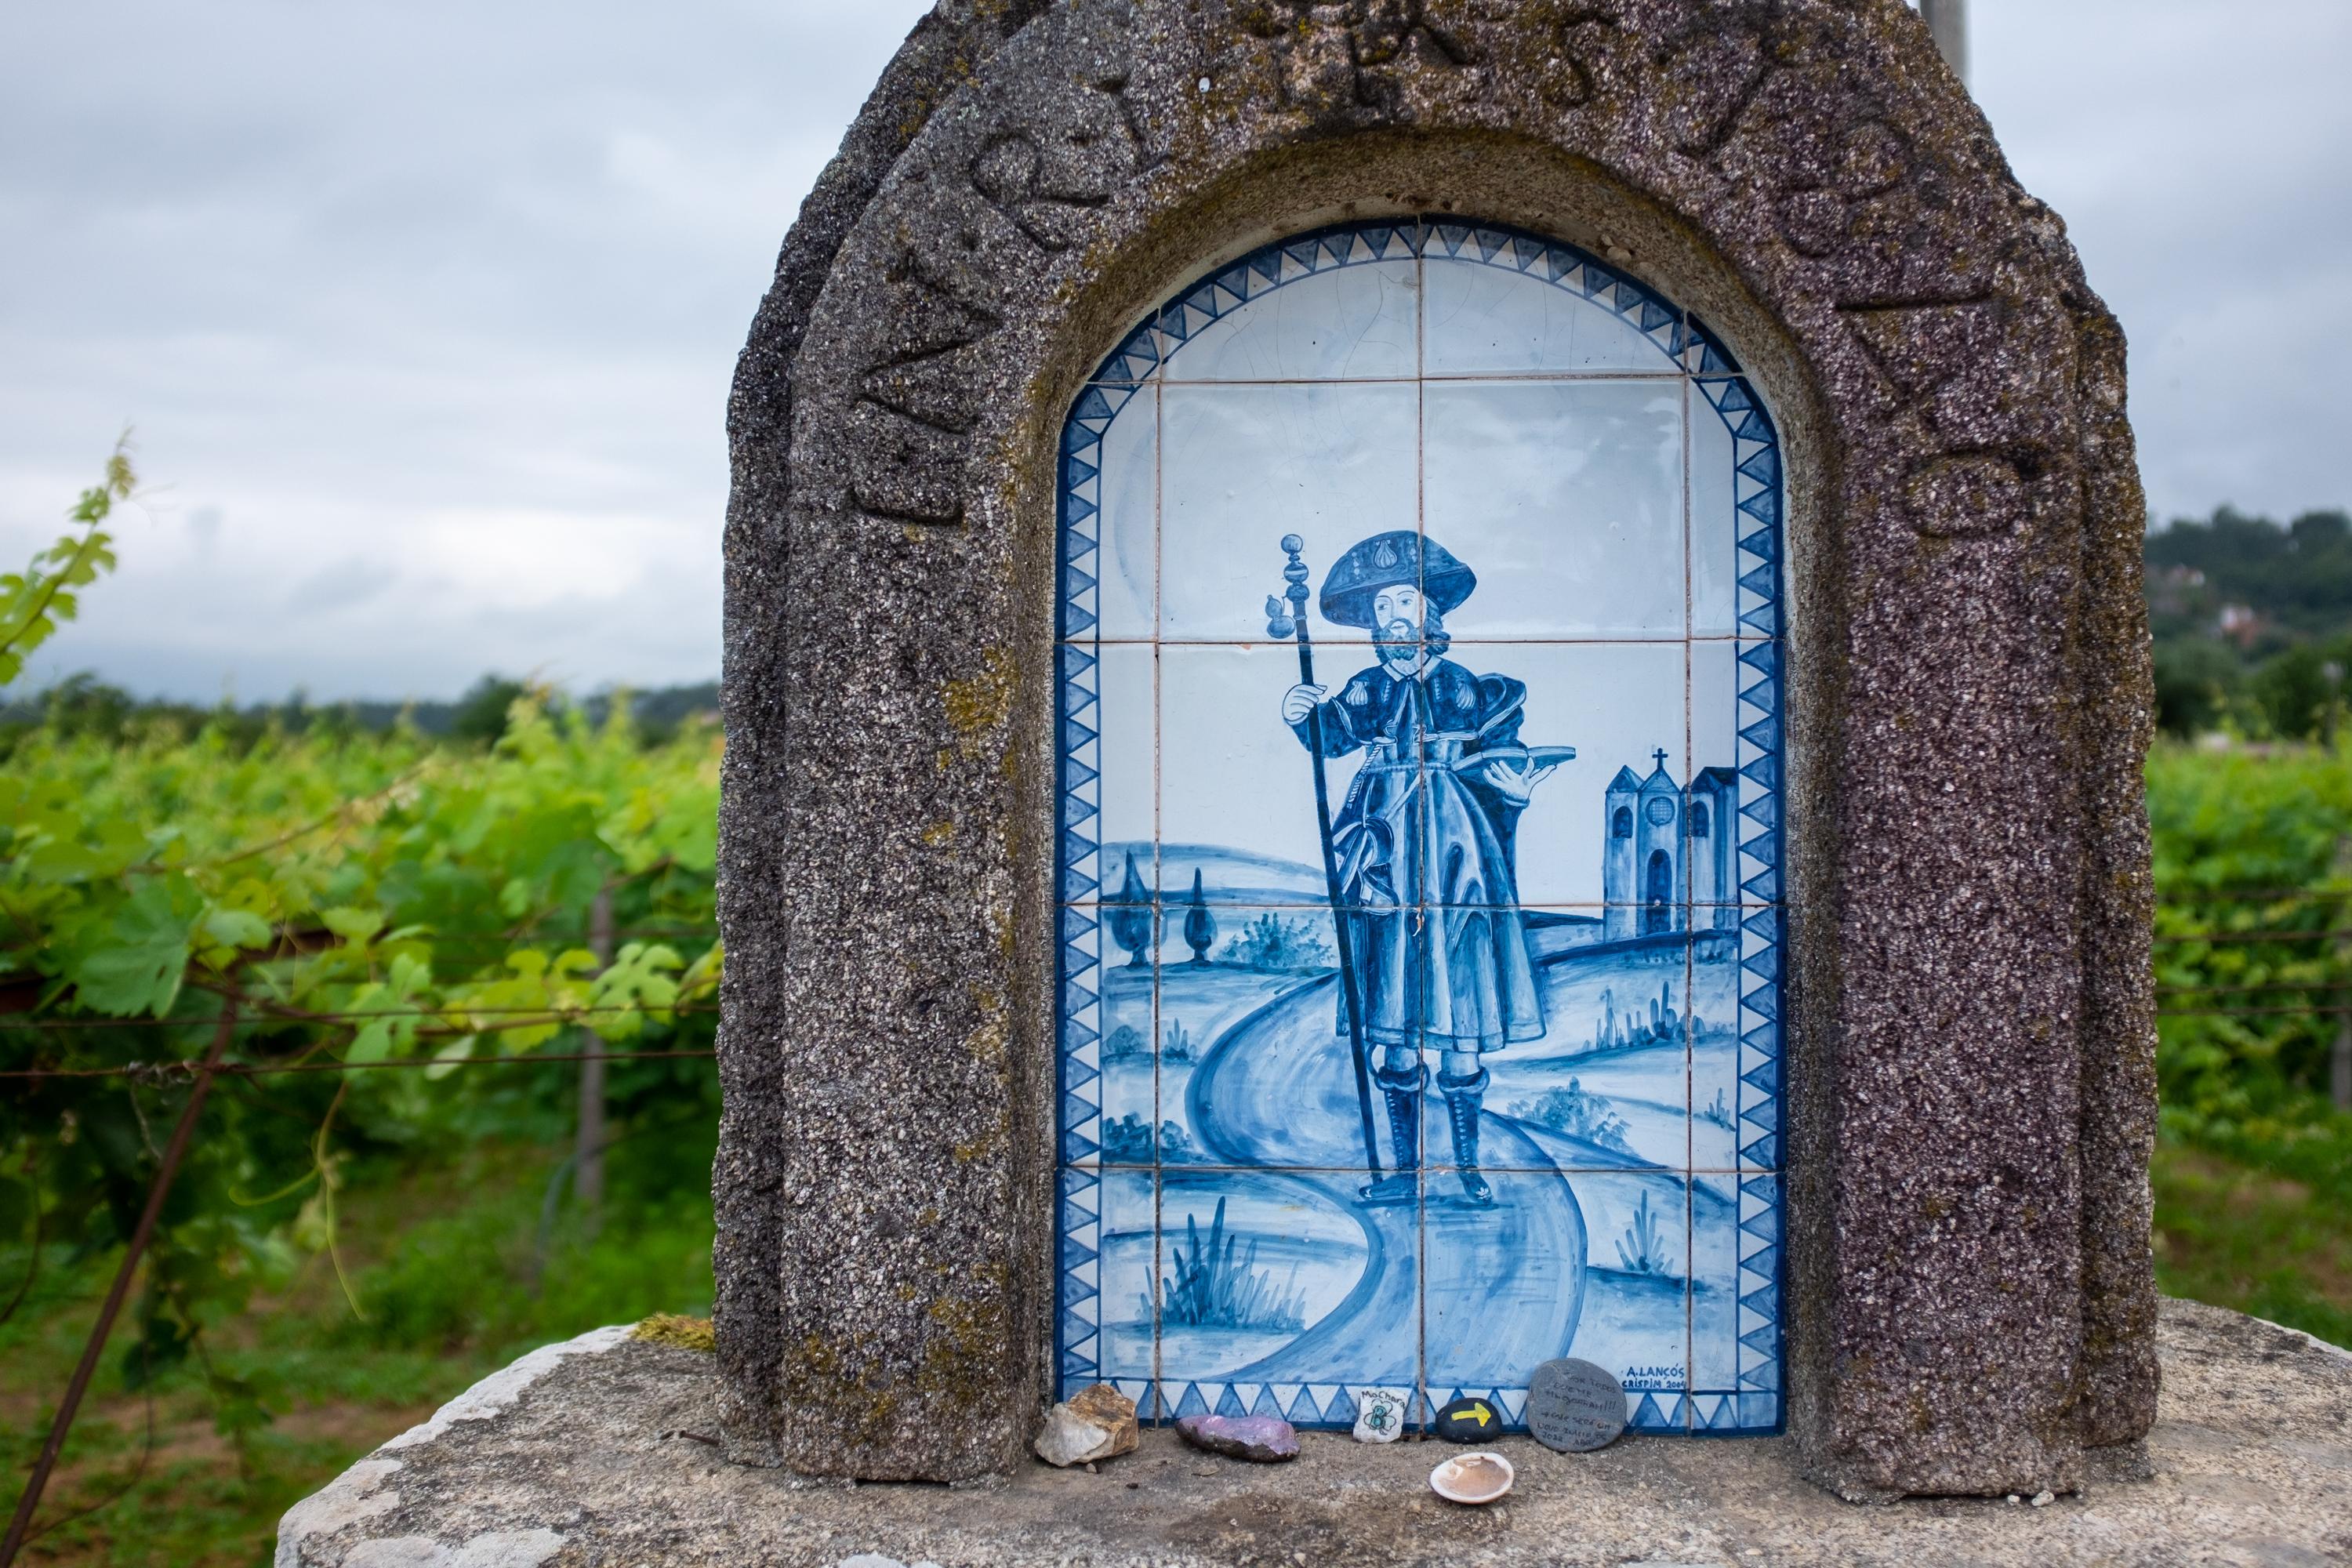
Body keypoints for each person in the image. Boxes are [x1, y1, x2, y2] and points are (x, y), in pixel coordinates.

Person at [1279, 531, 1559, 1207]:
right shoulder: (1368, 688)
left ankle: (1465, 1170)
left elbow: (1504, 761)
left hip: (1458, 856)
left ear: (1432, 613)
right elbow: (1333, 738)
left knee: (1460, 1015)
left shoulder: (1469, 690)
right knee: (1396, 1024)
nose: (1394, 618)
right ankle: (1405, 1176)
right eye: (1380, 611)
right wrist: (1302, 717)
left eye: (1404, 602)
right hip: (1386, 859)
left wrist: (1514, 787)